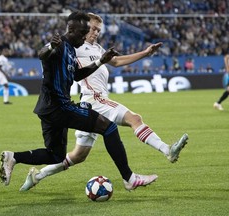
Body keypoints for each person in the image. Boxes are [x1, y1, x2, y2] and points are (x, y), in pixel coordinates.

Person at [18, 12, 189, 191]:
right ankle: (166, 151)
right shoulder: (75, 47)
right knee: (134, 119)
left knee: (78, 156)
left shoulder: (97, 48)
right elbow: (55, 57)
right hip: (95, 99)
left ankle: (37, 176)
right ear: (82, 29)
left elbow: (115, 61)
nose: (95, 33)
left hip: (89, 103)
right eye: (92, 29)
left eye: (98, 30)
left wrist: (145, 53)